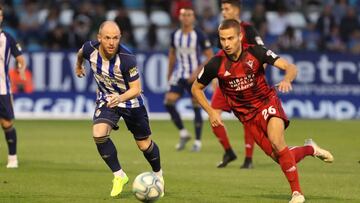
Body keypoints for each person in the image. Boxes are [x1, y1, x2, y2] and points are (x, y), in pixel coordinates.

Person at [192, 19, 334, 203]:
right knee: (280, 157)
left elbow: (290, 67)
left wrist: (287, 80)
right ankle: (310, 149)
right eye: (222, 39)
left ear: (240, 37)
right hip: (246, 117)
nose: (226, 43)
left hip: (267, 103)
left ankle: (297, 194)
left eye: (230, 38)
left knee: (277, 141)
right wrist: (211, 111)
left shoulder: (256, 52)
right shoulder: (215, 63)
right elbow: (196, 88)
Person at [75, 21, 164, 198]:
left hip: (131, 102)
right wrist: (78, 65)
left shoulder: (127, 58)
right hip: (107, 99)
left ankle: (158, 174)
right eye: (107, 38)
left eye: (115, 38)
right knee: (99, 134)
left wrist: (120, 97)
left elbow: (136, 89)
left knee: (144, 145)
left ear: (120, 38)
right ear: (99, 38)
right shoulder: (89, 49)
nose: (111, 42)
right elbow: (80, 53)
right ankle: (119, 175)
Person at [213, 0, 264, 168]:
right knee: (213, 115)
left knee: (248, 119)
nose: (224, 12)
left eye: (227, 9)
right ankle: (229, 151)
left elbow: (262, 54)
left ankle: (248, 159)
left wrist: (255, 76)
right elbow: (219, 57)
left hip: (244, 82)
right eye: (222, 9)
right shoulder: (223, 29)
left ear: (236, 10)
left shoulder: (248, 29)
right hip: (225, 80)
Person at [164, 7, 213, 152]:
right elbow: (172, 54)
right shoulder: (175, 35)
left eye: (189, 15)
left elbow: (210, 56)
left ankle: (197, 141)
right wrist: (169, 73)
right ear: (180, 17)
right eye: (184, 15)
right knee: (169, 101)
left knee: (196, 104)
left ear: (193, 18)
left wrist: (197, 71)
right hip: (179, 74)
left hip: (194, 76)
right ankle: (183, 133)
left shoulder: (199, 35)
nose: (186, 17)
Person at [0, 5, 27, 168]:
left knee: (6, 123)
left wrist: (21, 68)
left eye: (0, 15)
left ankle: (12, 158)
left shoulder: (8, 38)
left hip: (2, 88)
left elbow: (21, 59)